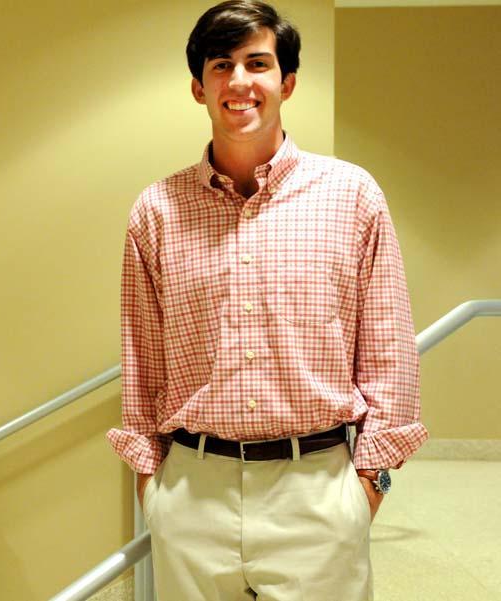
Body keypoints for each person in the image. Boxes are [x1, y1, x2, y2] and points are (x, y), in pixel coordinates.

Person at [106, 1, 428, 599]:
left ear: (287, 82)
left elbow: (388, 353)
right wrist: (153, 491)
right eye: (221, 64)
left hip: (318, 494)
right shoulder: (156, 211)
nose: (239, 81)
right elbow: (143, 363)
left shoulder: (351, 195)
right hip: (191, 495)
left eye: (258, 63)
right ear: (199, 88)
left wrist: (366, 491)